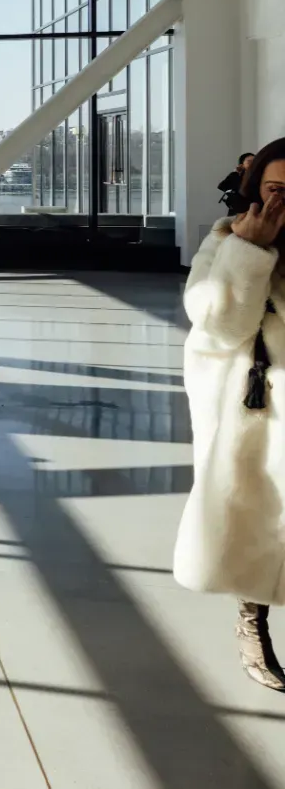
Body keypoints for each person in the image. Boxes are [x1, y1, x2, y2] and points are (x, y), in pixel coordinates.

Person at [175, 136, 285, 689]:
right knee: (252, 511)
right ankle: (252, 623)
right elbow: (219, 324)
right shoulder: (228, 241)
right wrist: (252, 254)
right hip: (253, 409)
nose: (282, 203)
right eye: (275, 189)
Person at [221, 152, 258, 217]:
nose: (253, 164)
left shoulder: (259, 176)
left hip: (253, 212)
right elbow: (223, 186)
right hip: (237, 212)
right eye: (249, 161)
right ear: (242, 165)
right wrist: (236, 172)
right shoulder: (236, 176)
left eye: (255, 161)